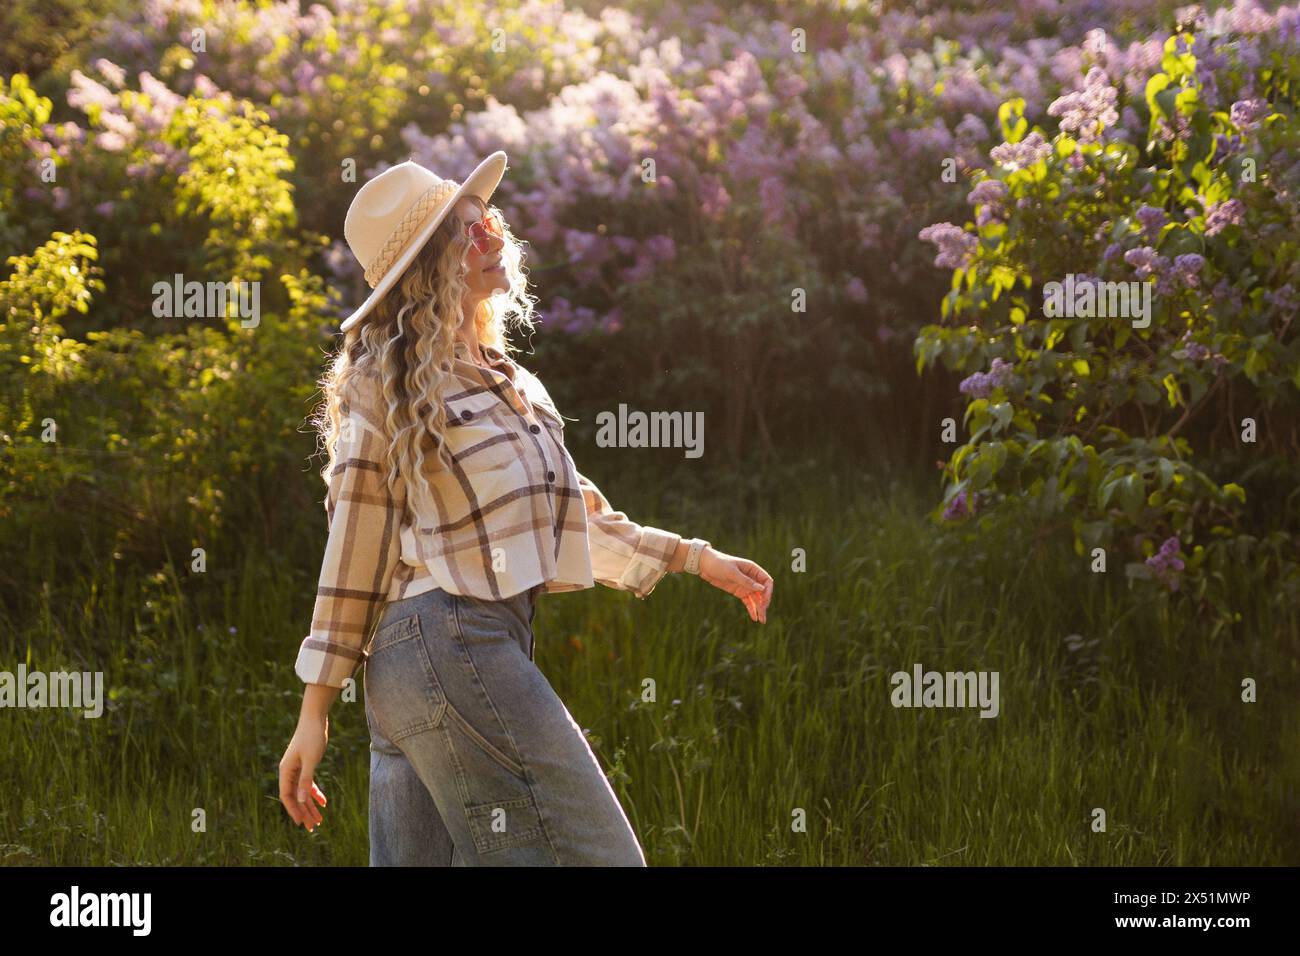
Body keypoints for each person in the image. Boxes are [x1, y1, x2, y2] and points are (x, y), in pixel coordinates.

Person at [278, 150, 774, 865]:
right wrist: (315, 710)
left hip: (446, 660)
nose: (492, 239)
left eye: (488, 223)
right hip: (446, 643)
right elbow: (355, 548)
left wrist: (698, 559)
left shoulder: (509, 384)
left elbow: (570, 515)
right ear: (426, 269)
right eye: (466, 233)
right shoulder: (379, 385)